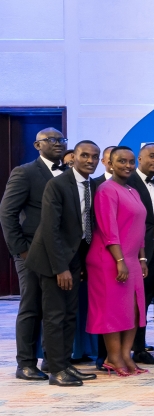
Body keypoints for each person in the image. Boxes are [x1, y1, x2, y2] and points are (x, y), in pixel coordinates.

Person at [24, 140, 100, 386]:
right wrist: (61, 268)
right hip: (51, 258)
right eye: (85, 155)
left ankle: (66, 364)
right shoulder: (57, 184)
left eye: (95, 156)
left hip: (75, 256)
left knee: (69, 314)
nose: (90, 160)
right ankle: (56, 370)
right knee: (55, 315)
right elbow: (50, 230)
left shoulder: (92, 185)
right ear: (74, 157)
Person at [1, 127, 67, 381]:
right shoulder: (25, 172)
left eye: (61, 139)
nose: (58, 143)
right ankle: (25, 363)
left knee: (55, 308)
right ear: (37, 145)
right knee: (31, 307)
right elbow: (7, 214)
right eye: (51, 140)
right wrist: (21, 250)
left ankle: (53, 361)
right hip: (31, 251)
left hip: (59, 252)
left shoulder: (67, 174)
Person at [86, 147, 149, 377]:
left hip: (131, 258)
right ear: (110, 164)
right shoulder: (106, 190)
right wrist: (120, 259)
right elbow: (108, 227)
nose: (128, 165)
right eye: (121, 161)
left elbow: (140, 228)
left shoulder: (132, 190)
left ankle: (125, 356)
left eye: (131, 161)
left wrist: (141, 258)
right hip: (110, 259)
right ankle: (113, 358)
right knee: (112, 310)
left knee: (133, 310)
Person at [130, 144, 154, 358]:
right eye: (152, 156)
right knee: (132, 303)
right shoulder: (129, 182)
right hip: (133, 252)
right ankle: (120, 351)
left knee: (144, 301)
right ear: (140, 158)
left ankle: (139, 348)